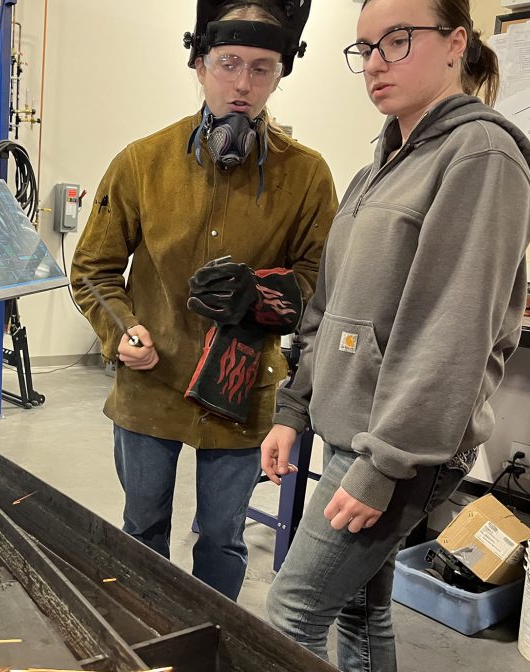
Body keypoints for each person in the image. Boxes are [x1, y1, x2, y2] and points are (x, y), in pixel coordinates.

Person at [261, 0, 530, 672]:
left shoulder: (481, 157)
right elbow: (331, 307)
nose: (375, 62)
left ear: (456, 42)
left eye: (397, 40)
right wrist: (293, 409)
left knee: (291, 610)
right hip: (352, 426)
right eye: (363, 47)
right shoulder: (383, 163)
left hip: (398, 446)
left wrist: (384, 463)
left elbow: (450, 335)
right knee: (362, 608)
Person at [70, 0, 337, 601]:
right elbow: (93, 270)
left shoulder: (308, 177)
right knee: (142, 528)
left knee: (223, 536)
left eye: (262, 68)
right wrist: (122, 332)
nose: (243, 84)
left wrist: (262, 295)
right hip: (150, 384)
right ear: (198, 63)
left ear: (281, 73)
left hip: (240, 392)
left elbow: (321, 280)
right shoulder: (142, 163)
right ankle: (145, 631)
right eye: (228, 63)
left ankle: (214, 640)